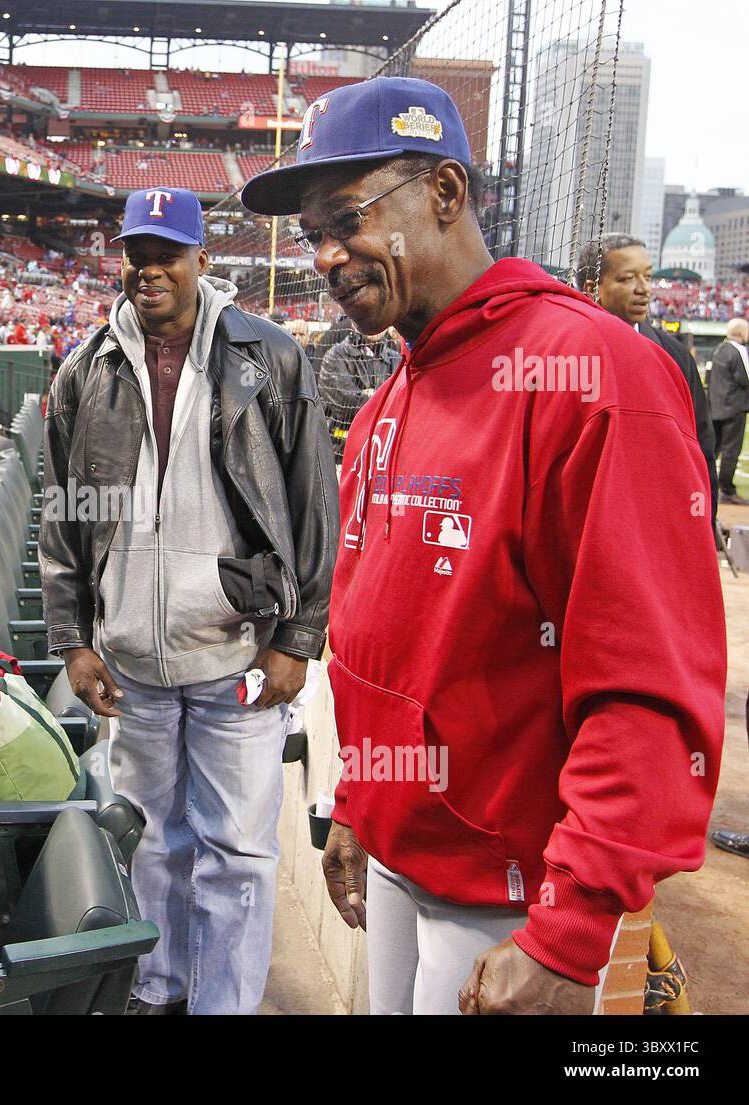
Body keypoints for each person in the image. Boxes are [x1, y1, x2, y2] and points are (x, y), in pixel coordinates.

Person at [241, 75, 726, 1015]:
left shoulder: (595, 376)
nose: (330, 256)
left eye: (347, 216)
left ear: (447, 194)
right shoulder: (389, 398)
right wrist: (360, 803)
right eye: (313, 235)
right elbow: (391, 644)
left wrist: (571, 927)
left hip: (511, 900)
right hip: (397, 859)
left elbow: (650, 689)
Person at [40, 185, 339, 1015]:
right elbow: (61, 513)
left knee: (237, 853)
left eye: (167, 253)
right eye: (137, 253)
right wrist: (74, 637)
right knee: (148, 843)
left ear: (203, 259)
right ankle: (160, 987)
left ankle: (223, 1004)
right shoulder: (87, 366)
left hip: (238, 650)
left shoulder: (268, 356)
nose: (149, 270)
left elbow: (317, 506)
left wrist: (299, 636)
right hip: (133, 655)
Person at [575, 234, 718, 526]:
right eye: (628, 278)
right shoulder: (564, 350)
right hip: (583, 518)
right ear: (593, 288)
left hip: (655, 517)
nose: (644, 289)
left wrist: (704, 520)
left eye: (648, 277)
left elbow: (701, 447)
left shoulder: (675, 355)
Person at [318, 326, 400, 462]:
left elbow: (401, 402)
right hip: (341, 451)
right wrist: (383, 397)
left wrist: (369, 395)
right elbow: (344, 405)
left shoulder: (395, 357)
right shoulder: (336, 355)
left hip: (383, 451)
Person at [708, 318, 749, 505]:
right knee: (731, 450)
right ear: (741, 333)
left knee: (712, 449)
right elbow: (744, 379)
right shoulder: (739, 350)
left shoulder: (719, 349)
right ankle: (727, 490)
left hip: (715, 406)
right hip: (734, 407)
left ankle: (707, 484)